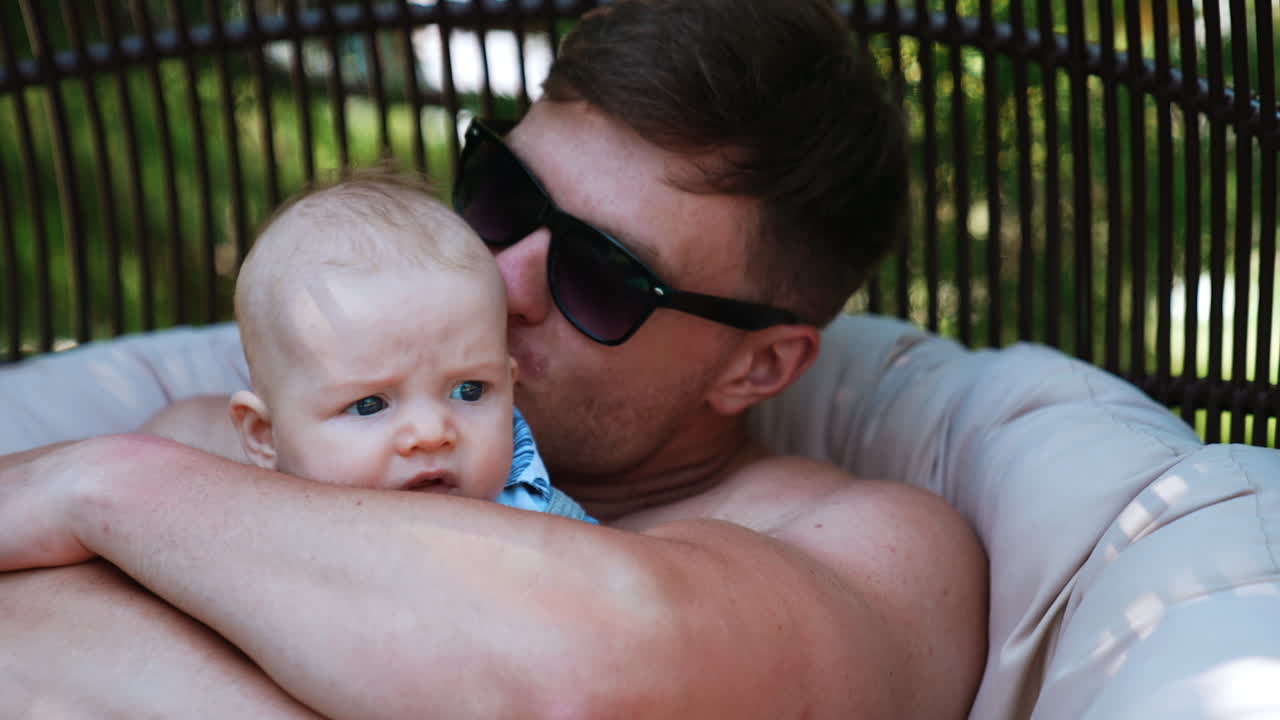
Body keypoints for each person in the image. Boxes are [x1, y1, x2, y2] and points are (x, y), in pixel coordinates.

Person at [0, 1, 988, 718]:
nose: (500, 275)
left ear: (758, 368)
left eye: (599, 272)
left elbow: (591, 667)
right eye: (503, 195)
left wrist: (102, 488)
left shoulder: (878, 550)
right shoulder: (235, 440)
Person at [153, 169, 594, 522]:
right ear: (265, 437)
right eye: (369, 405)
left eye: (470, 391)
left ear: (509, 385)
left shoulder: (544, 527)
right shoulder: (238, 528)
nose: (430, 433)